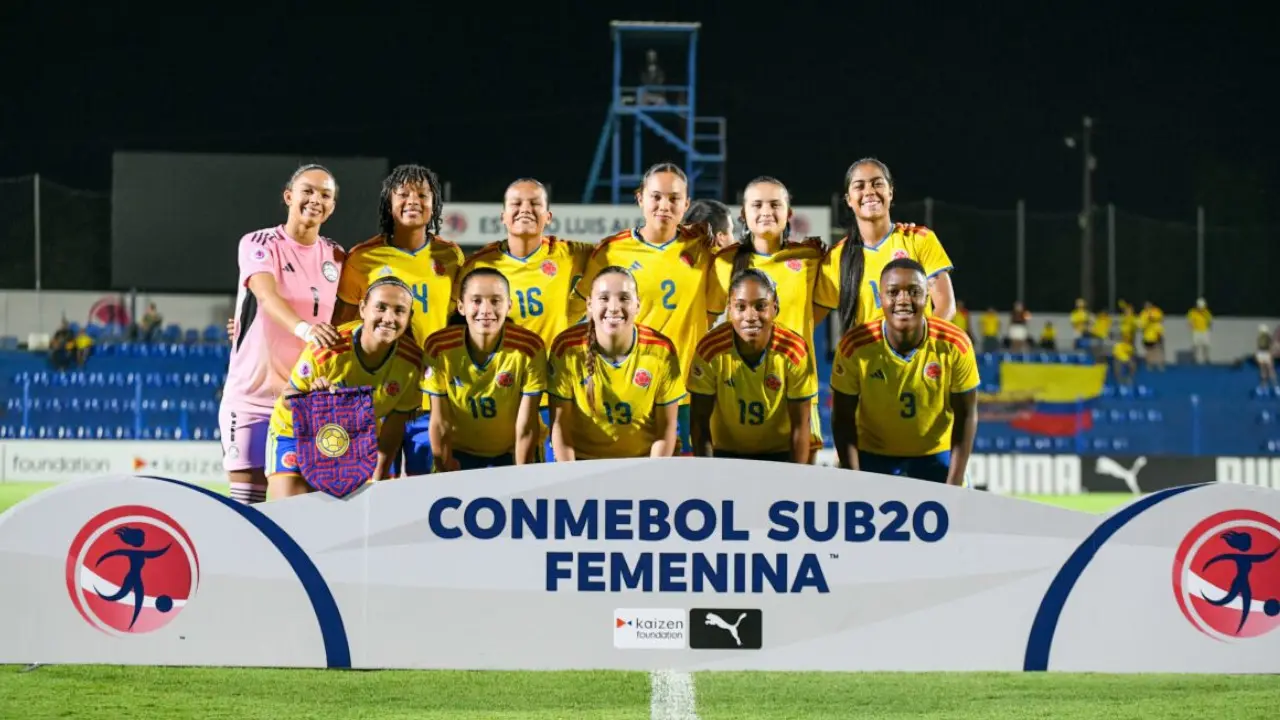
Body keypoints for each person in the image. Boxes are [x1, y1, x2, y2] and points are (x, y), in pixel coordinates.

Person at [219, 164, 345, 505]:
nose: (315, 199)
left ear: (332, 207)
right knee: (247, 507)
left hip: (305, 397)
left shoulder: (338, 256)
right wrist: (305, 330)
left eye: (325, 195)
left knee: (300, 508)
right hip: (253, 397)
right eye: (308, 191)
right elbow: (266, 296)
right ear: (289, 196)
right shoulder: (258, 243)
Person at [573, 162, 716, 456]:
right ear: (640, 198)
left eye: (674, 198)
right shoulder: (611, 251)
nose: (665, 205)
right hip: (626, 390)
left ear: (686, 204)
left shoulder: (703, 247)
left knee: (686, 479)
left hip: (687, 391)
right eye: (656, 196)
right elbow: (586, 316)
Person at [333, 164, 464, 477]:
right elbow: (342, 328)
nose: (413, 200)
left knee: (426, 490)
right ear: (388, 202)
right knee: (374, 488)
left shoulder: (451, 256)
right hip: (376, 397)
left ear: (434, 203)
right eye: (403, 194)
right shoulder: (363, 257)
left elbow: (457, 324)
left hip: (429, 398)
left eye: (422, 194)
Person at [456, 178, 593, 461]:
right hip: (500, 393)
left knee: (555, 477)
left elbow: (615, 254)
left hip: (554, 390)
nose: (525, 210)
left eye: (534, 203)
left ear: (548, 216)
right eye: (516, 204)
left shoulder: (569, 253)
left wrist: (578, 302)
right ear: (503, 216)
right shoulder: (479, 264)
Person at [265, 277, 421, 499]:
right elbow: (288, 397)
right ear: (362, 309)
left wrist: (378, 477)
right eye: (381, 307)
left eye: (399, 311)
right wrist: (312, 400)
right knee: (291, 509)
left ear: (409, 317)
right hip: (296, 433)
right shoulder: (328, 347)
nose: (389, 318)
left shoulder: (412, 364)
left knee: (354, 515)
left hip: (355, 441)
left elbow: (392, 431)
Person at [706, 176, 826, 462]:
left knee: (797, 486)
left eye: (775, 204)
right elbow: (707, 321)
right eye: (757, 205)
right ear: (743, 213)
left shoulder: (809, 258)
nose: (766, 211)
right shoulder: (724, 261)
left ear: (789, 213)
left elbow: (813, 317)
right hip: (736, 394)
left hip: (795, 393)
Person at [829, 259, 979, 485]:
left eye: (914, 291)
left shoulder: (955, 344)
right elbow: (842, 417)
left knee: (960, 505)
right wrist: (853, 477)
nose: (903, 299)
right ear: (880, 298)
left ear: (926, 297)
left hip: (935, 453)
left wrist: (955, 482)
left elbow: (966, 414)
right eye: (893, 292)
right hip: (873, 454)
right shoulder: (855, 346)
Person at [550, 266, 686, 460]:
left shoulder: (661, 350)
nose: (614, 307)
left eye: (624, 298)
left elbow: (666, 429)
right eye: (604, 298)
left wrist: (653, 473)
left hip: (644, 461)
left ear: (637, 305)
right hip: (583, 463)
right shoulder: (566, 348)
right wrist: (572, 475)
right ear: (589, 304)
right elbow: (560, 425)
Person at [814, 158, 956, 336]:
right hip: (866, 353)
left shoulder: (918, 239)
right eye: (859, 186)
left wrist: (919, 345)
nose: (869, 191)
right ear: (849, 199)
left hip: (917, 352)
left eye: (877, 184)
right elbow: (808, 320)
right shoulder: (837, 257)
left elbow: (946, 307)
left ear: (890, 192)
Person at [423, 268, 547, 470]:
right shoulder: (439, 347)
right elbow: (439, 421)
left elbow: (526, 424)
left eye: (495, 301)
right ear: (461, 306)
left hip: (512, 450)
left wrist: (523, 473)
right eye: (476, 301)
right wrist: (444, 466)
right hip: (459, 450)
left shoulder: (528, 348)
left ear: (509, 306)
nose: (486, 310)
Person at [690, 269, 817, 463]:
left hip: (779, 455)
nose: (750, 316)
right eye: (740, 307)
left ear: (775, 308)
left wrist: (795, 475)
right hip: (725, 455)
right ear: (729, 309)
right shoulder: (710, 350)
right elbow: (699, 422)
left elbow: (801, 425)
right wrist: (708, 472)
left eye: (760, 306)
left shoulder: (794, 351)